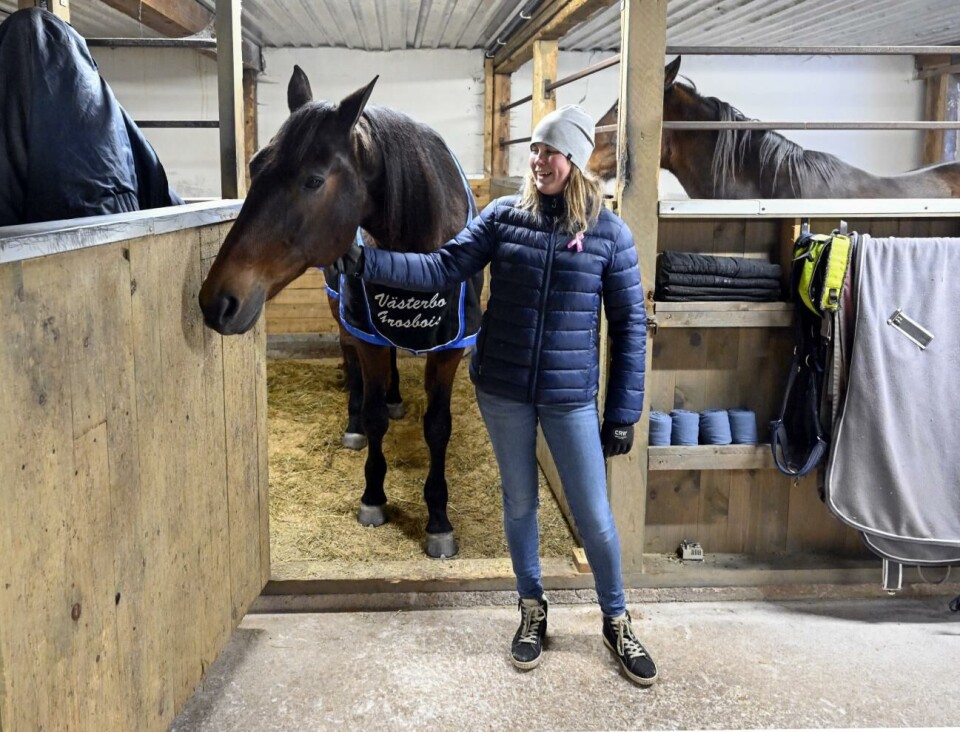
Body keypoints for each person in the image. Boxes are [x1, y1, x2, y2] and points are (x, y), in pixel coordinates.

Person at [335, 104, 655, 686]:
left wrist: (623, 412)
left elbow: (631, 328)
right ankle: (531, 610)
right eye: (533, 150)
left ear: (576, 162)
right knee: (519, 507)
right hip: (504, 390)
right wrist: (366, 260)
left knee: (595, 517)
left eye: (549, 152)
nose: (537, 161)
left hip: (569, 397)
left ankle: (616, 617)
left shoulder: (611, 236)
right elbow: (441, 268)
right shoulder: (504, 217)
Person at [0, 7, 182, 227]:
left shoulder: (17, 65)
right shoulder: (99, 100)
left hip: (42, 238)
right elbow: (150, 171)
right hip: (116, 224)